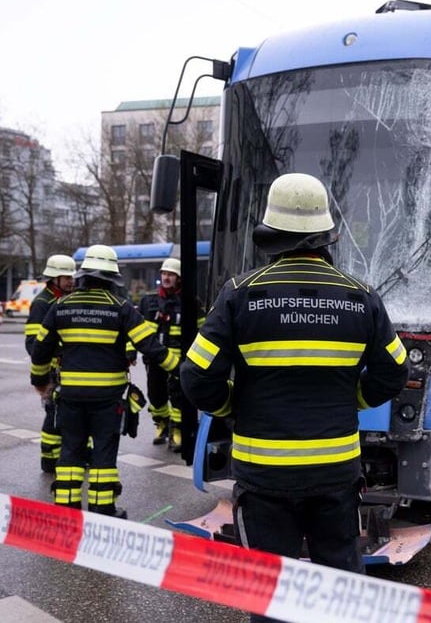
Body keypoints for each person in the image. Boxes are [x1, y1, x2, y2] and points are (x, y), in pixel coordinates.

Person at [180, 173, 409, 601]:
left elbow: (195, 376)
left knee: (270, 594)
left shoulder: (239, 295)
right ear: (326, 235)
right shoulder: (361, 297)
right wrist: (353, 399)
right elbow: (395, 371)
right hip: (336, 474)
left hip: (263, 478)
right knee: (340, 591)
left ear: (273, 234)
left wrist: (234, 406)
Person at [30, 244, 178, 518]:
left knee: (71, 451)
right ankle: (102, 509)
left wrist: (39, 380)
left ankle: (67, 509)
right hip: (107, 399)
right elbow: (150, 345)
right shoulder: (120, 308)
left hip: (71, 397)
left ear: (83, 275)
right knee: (103, 454)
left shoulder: (60, 306)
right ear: (111, 278)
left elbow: (40, 349)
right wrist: (181, 369)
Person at [137, 257, 203, 451]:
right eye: (164, 274)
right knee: (155, 395)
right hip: (156, 359)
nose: (166, 278)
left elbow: (203, 330)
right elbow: (138, 331)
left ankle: (178, 431)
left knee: (179, 397)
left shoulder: (191, 302)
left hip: (179, 360)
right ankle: (162, 424)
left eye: (171, 275)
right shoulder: (149, 302)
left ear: (179, 278)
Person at [24, 254, 76, 473]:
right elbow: (33, 343)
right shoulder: (42, 303)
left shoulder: (67, 299)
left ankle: (70, 455)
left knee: (69, 413)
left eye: (72, 277)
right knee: (53, 413)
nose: (70, 281)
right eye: (66, 278)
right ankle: (49, 459)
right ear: (54, 278)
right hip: (53, 370)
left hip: (69, 368)